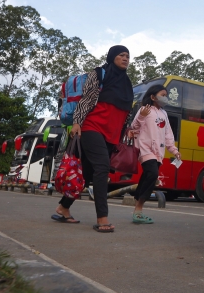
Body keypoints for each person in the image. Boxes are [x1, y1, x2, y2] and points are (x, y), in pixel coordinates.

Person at [51, 45, 133, 233]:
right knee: (102, 168)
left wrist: (127, 130)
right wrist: (77, 122)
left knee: (87, 172)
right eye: (121, 55)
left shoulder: (127, 83)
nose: (125, 58)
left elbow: (125, 111)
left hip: (111, 134)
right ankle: (102, 218)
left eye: (128, 56)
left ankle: (63, 208)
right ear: (112, 57)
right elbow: (87, 99)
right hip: (92, 127)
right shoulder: (99, 74)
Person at [128, 85, 180, 224]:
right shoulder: (144, 110)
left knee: (149, 175)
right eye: (163, 94)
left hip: (159, 151)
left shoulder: (164, 114)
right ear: (153, 97)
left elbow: (168, 134)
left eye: (166, 95)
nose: (165, 97)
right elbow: (134, 128)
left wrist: (174, 150)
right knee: (152, 173)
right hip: (145, 148)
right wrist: (141, 118)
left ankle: (138, 197)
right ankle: (138, 208)